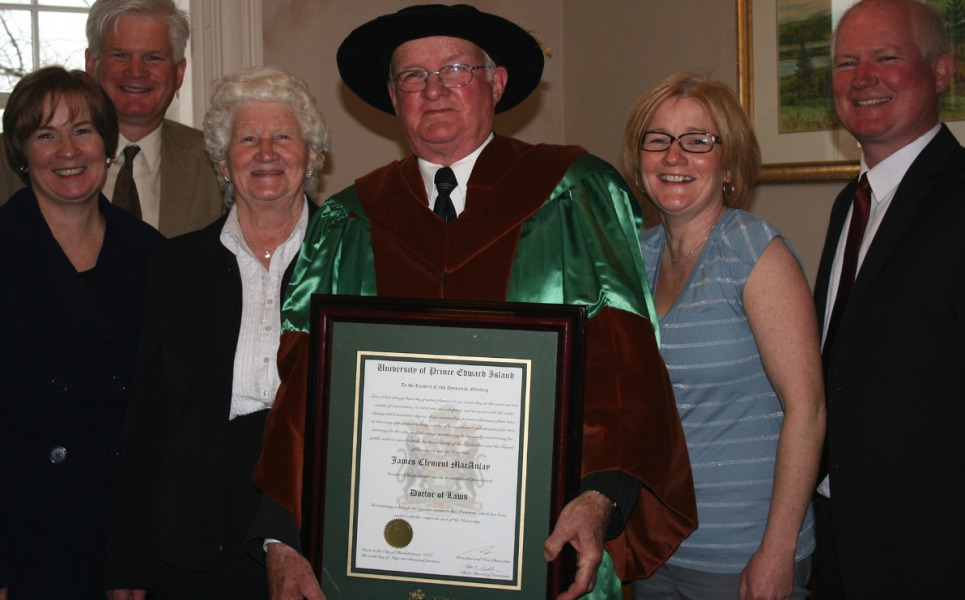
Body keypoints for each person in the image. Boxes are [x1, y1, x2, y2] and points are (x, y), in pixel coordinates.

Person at [250, 5, 698, 600]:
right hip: (383, 559)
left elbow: (626, 369)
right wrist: (281, 540)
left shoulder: (574, 195)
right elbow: (303, 394)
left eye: (456, 69)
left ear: (497, 82)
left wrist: (600, 499)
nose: (433, 90)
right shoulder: (348, 222)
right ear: (392, 95)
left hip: (540, 546)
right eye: (412, 76)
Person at [101, 66, 329, 600]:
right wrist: (128, 559)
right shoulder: (175, 266)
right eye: (247, 139)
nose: (266, 152)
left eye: (283, 137)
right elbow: (148, 419)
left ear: (312, 157)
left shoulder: (353, 258)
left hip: (317, 508)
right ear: (223, 162)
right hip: (197, 523)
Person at [623, 73, 825, 600]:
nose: (674, 156)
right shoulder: (635, 257)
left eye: (697, 141)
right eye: (658, 139)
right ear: (639, 162)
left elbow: (808, 409)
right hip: (654, 547)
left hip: (741, 555)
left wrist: (777, 553)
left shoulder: (755, 254)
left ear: (729, 164)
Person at [813, 0, 965, 597]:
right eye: (846, 62)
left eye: (886, 57)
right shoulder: (847, 206)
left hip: (934, 547)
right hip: (840, 531)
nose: (863, 78)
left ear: (942, 72)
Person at [0, 66, 163, 599]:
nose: (67, 150)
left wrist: (136, 556)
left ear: (107, 144)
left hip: (119, 526)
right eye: (46, 134)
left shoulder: (151, 254)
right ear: (22, 154)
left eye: (83, 130)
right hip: (24, 530)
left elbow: (157, 419)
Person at [0, 0, 223, 238]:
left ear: (179, 73)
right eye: (120, 55)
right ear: (91, 64)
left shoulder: (216, 160)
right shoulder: (11, 155)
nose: (136, 72)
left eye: (153, 58)